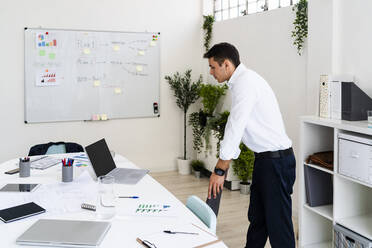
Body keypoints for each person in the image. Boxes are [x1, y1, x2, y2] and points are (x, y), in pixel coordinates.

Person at [205, 42, 296, 248]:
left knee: (279, 229)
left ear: (226, 65)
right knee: (257, 220)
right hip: (266, 161)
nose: (211, 72)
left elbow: (235, 126)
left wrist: (220, 169)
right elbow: (235, 125)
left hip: (277, 163)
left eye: (213, 67)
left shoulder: (246, 83)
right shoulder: (242, 82)